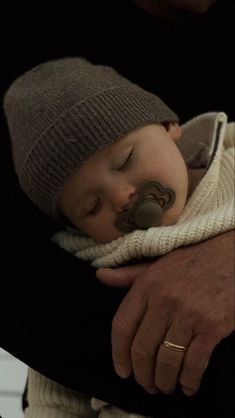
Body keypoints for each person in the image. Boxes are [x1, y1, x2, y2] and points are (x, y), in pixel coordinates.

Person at [0, 1, 234, 418]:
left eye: (126, 161)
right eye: (92, 206)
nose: (123, 196)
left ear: (170, 127)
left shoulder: (230, 160)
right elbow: (52, 396)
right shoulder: (89, 257)